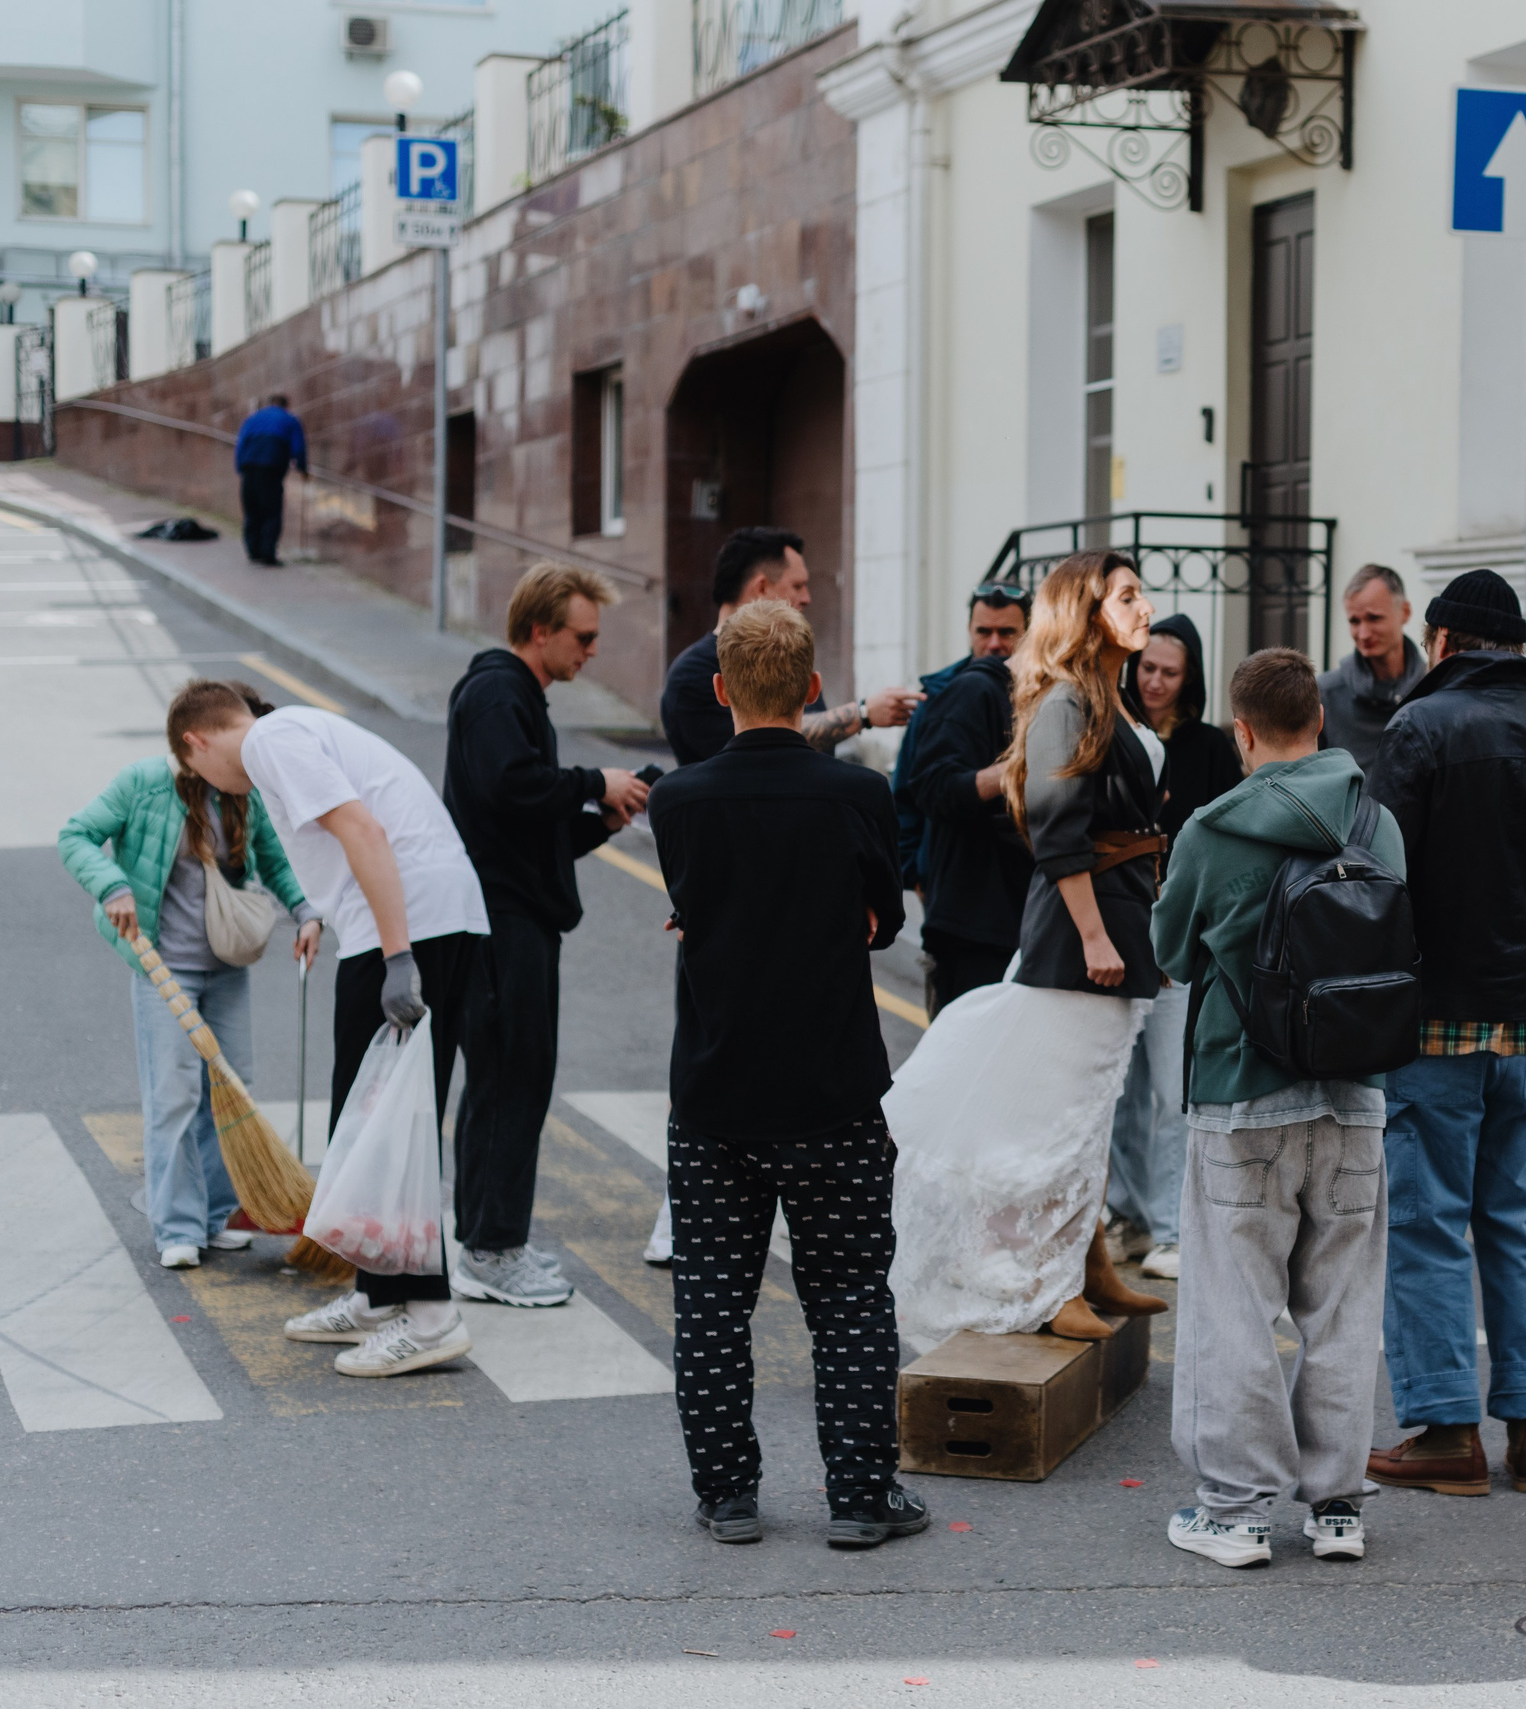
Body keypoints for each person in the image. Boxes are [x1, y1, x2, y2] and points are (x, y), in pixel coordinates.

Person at [650, 599, 929, 1550]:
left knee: (713, 1301)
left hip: (719, 1092)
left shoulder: (677, 801)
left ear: (721, 689)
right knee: (851, 1294)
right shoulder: (855, 797)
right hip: (834, 1090)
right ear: (812, 688)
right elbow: (883, 919)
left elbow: (696, 906)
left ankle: (728, 1493)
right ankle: (860, 1494)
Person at [1361, 568, 1526, 1497]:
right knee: (1520, 1222)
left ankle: (1443, 1428)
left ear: (1441, 642)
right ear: (1512, 646)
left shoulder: (1421, 727)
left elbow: (1375, 867)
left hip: (1435, 1019)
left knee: (1428, 1223)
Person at [1151, 647, 1402, 1567]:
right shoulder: (1377, 821)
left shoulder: (1214, 830)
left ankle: (1237, 1507)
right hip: (1355, 1097)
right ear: (1323, 723)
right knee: (1343, 1307)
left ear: (1241, 730)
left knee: (1234, 1308)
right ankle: (1336, 1506)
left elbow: (1173, 952)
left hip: (1241, 1092)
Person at [883, 552, 1173, 1348]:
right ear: (1086, 610)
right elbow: (1053, 823)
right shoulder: (1065, 699)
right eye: (1127, 595)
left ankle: (1086, 1267)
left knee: (1093, 1109)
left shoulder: (1108, 696)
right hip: (1080, 931)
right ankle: (1046, 1285)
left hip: (1120, 917)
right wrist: (1091, 933)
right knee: (1059, 1115)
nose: (1144, 606)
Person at [205, 696, 492, 1375]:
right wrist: (327, 917)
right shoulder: (297, 730)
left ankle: (429, 1317)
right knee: (370, 1120)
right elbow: (354, 833)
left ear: (196, 742)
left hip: (407, 928)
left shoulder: (267, 741)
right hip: (430, 916)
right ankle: (378, 1295)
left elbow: (363, 830)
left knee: (385, 1127)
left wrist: (396, 957)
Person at [59, 682, 325, 1269]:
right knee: (175, 1096)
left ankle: (219, 1213)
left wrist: (305, 911)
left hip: (226, 969)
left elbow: (276, 859)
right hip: (165, 971)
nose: (246, 766)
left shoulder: (241, 793)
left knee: (232, 1089)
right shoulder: (143, 784)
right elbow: (75, 835)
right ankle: (177, 1224)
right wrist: (113, 886)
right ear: (195, 744)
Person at [441, 563, 651, 1309]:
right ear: (541, 630)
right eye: (583, 637)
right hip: (502, 924)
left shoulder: (516, 694)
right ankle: (491, 1250)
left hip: (507, 914)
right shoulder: (500, 690)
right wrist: (596, 781)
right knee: (510, 1079)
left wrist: (601, 819)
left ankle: (487, 1241)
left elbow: (529, 826)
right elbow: (510, 785)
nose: (591, 651)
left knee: (506, 1079)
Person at [1106, 611, 1243, 1279]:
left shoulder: (1211, 749)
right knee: (1121, 1090)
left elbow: (1219, 847)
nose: (1154, 680)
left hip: (1176, 941)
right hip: (1118, 930)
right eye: (1147, 667)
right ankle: (1125, 1217)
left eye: (1169, 670)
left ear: (1190, 677)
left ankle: (1169, 1226)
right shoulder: (1118, 733)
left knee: (1168, 1089)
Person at [660, 527, 919, 768]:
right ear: (761, 587)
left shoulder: (790, 656)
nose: (806, 598)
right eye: (797, 586)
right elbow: (763, 743)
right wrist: (862, 714)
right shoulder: (692, 674)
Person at [892, 583, 1035, 1015]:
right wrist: (918, 876)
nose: (994, 643)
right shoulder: (947, 695)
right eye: (983, 631)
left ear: (1029, 633)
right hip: (958, 904)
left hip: (1018, 905)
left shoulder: (1035, 691)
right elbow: (909, 795)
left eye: (1007, 632)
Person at [1317, 564, 1427, 772]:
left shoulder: (1436, 689)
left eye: (1374, 618)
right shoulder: (1324, 694)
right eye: (1354, 621)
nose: (1363, 634)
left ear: (1405, 612)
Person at [233, 394, 307, 568]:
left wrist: (240, 468)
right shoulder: (290, 420)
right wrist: (302, 468)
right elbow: (298, 447)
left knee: (252, 511)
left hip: (249, 469)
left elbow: (241, 444)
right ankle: (267, 552)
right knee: (271, 512)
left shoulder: (253, 419)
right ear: (286, 405)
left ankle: (253, 551)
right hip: (272, 470)